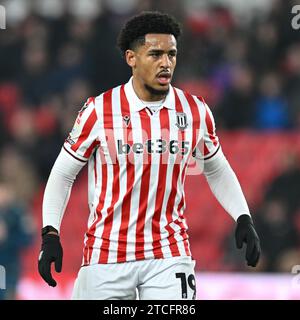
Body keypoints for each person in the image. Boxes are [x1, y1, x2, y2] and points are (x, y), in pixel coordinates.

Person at [38, 11, 261, 300]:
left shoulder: (194, 111)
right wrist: (50, 234)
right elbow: (63, 174)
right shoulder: (99, 110)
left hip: (169, 254)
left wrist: (243, 216)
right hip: (107, 254)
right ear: (131, 58)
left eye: (171, 54)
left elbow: (216, 167)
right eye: (155, 54)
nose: (166, 62)